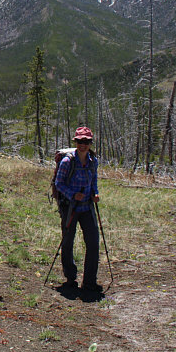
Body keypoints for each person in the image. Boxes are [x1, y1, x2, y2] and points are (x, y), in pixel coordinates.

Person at [55, 126, 102, 293]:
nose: (83, 145)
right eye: (80, 141)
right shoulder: (68, 162)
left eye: (86, 141)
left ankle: (89, 281)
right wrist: (73, 195)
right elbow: (59, 183)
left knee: (93, 243)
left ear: (90, 143)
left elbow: (94, 181)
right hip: (71, 207)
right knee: (68, 241)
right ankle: (70, 277)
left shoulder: (93, 161)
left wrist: (95, 193)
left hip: (87, 207)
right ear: (76, 142)